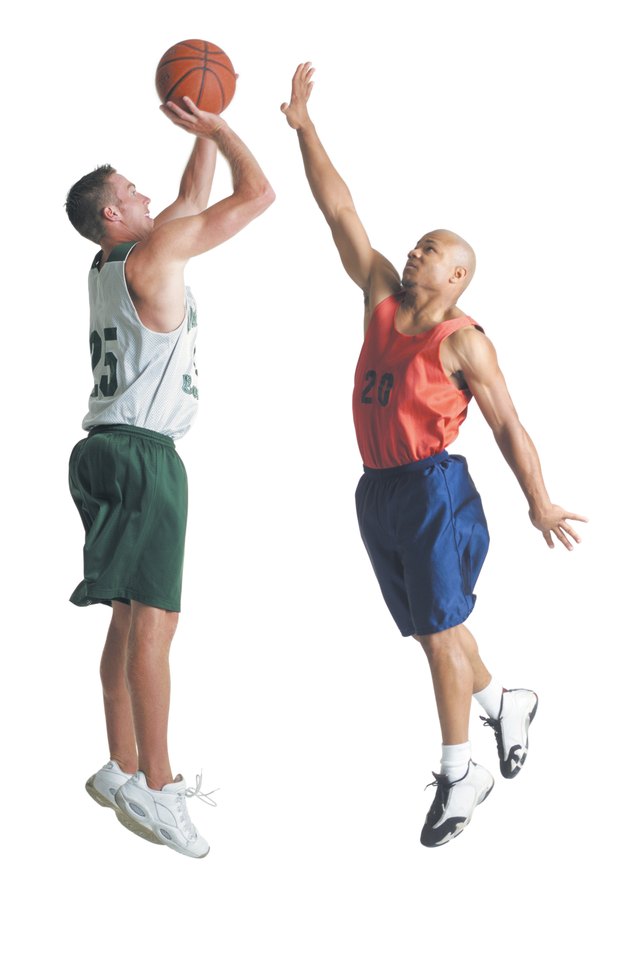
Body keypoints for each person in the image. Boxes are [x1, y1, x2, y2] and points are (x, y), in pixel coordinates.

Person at [281, 63, 586, 846]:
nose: (414, 252)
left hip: (432, 489)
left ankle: (460, 777)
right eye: (416, 244)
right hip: (376, 491)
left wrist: (539, 501)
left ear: (456, 277)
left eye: (432, 251)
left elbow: (510, 425)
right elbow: (340, 209)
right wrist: (306, 128)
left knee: (442, 637)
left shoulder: (465, 342)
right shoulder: (381, 295)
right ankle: (502, 703)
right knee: (431, 631)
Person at [65, 96, 275, 859]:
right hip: (145, 457)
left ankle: (119, 766)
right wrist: (220, 128)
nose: (149, 194)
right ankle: (157, 783)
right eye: (133, 190)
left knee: (127, 617)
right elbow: (258, 197)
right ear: (114, 214)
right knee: (156, 623)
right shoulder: (154, 256)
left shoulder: (110, 260)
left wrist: (200, 137)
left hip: (101, 450)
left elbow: (189, 201)